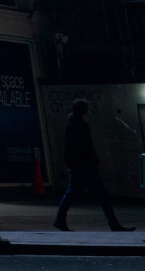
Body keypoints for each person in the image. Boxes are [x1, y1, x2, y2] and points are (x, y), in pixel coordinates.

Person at [56, 98, 132, 231]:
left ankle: (60, 219)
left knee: (72, 194)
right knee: (102, 196)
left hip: (79, 166)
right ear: (84, 111)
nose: (90, 112)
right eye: (89, 109)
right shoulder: (80, 125)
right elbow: (85, 148)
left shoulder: (73, 124)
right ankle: (113, 224)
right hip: (85, 167)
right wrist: (93, 163)